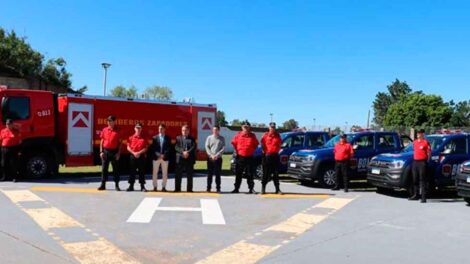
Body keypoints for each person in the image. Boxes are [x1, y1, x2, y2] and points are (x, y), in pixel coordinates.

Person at [231, 122, 259, 194]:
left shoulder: (252, 136)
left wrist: (251, 150)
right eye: (244, 127)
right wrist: (238, 151)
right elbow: (234, 143)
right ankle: (236, 188)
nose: (246, 128)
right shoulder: (238, 135)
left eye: (247, 127)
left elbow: (256, 144)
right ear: (242, 127)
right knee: (238, 174)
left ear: (249, 127)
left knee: (250, 174)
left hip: (249, 157)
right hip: (240, 157)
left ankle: (251, 188)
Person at [98, 115, 122, 191]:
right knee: (104, 169)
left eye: (110, 121)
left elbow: (120, 143)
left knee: (116, 169)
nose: (108, 122)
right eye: (108, 121)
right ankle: (103, 185)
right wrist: (101, 151)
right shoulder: (104, 130)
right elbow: (101, 141)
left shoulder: (118, 130)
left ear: (114, 121)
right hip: (106, 151)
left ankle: (117, 185)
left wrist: (118, 153)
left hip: (114, 152)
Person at [409, 129, 432, 203]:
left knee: (422, 180)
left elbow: (429, 153)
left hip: (422, 162)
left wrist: (427, 161)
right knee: (415, 179)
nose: (418, 134)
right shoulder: (415, 142)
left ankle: (423, 197)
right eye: (417, 133)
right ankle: (416, 195)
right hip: (415, 162)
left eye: (419, 133)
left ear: (423, 134)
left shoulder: (426, 142)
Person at [261, 122, 282, 194]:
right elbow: (262, 145)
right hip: (267, 156)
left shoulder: (278, 135)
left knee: (276, 173)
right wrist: (265, 152)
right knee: (266, 174)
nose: (272, 128)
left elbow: (280, 144)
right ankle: (263, 189)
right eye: (271, 127)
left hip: (275, 156)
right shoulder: (265, 135)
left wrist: (277, 151)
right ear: (269, 128)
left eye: (274, 127)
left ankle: (277, 189)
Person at [126, 122, 148, 192]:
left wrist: (138, 153)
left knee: (141, 171)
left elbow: (146, 148)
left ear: (141, 129)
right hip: (133, 156)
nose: (138, 129)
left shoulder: (144, 138)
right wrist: (134, 153)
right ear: (134, 128)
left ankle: (142, 186)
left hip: (141, 156)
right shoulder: (130, 137)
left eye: (139, 128)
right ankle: (131, 186)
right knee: (132, 171)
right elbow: (128, 147)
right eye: (137, 128)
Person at [150, 124, 171, 192]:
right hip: (156, 158)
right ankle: (155, 187)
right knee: (154, 173)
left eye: (161, 128)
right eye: (159, 128)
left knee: (164, 173)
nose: (160, 130)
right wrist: (158, 155)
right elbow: (153, 148)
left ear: (164, 129)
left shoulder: (168, 138)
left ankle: (163, 187)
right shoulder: (154, 138)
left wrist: (164, 155)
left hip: (165, 158)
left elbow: (169, 148)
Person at [175, 125, 196, 192]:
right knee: (178, 175)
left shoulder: (192, 139)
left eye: (186, 130)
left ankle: (189, 189)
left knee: (189, 175)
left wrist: (187, 152)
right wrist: (183, 152)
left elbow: (193, 147)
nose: (184, 132)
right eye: (183, 130)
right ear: (181, 131)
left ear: (188, 131)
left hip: (189, 158)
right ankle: (177, 189)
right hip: (180, 158)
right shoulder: (178, 138)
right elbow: (176, 147)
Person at [205, 125, 225, 193]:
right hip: (210, 159)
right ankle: (208, 188)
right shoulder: (209, 138)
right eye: (213, 130)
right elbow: (207, 147)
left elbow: (223, 148)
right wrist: (211, 155)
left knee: (218, 174)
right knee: (209, 174)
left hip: (218, 159)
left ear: (219, 130)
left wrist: (217, 155)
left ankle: (218, 188)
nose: (215, 131)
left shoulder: (222, 138)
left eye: (216, 130)